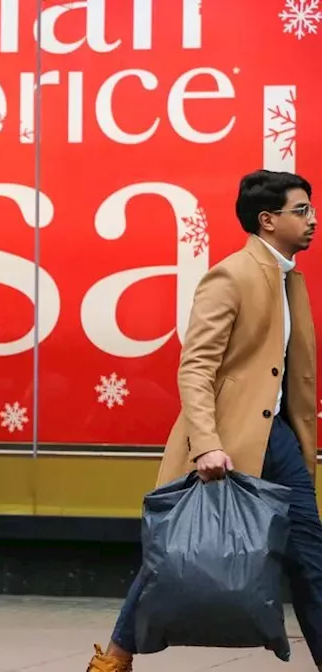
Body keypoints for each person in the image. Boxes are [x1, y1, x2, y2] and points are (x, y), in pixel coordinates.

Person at [88, 170, 319, 671]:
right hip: (230, 440)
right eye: (300, 210)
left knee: (309, 559)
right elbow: (196, 367)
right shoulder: (232, 275)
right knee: (173, 554)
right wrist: (206, 444)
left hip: (276, 436)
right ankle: (115, 659)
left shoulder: (288, 278)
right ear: (267, 219)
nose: (312, 220)